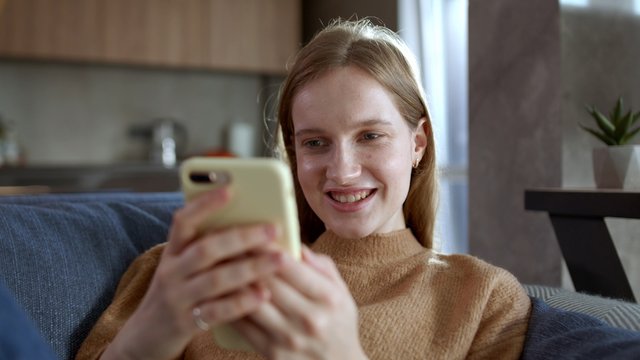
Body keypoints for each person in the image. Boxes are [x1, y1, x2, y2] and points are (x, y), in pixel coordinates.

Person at [76, 19, 531, 360]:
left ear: (417, 144)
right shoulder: (181, 273)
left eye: (370, 136)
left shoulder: (483, 298)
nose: (343, 171)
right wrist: (152, 330)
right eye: (315, 143)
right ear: (293, 154)